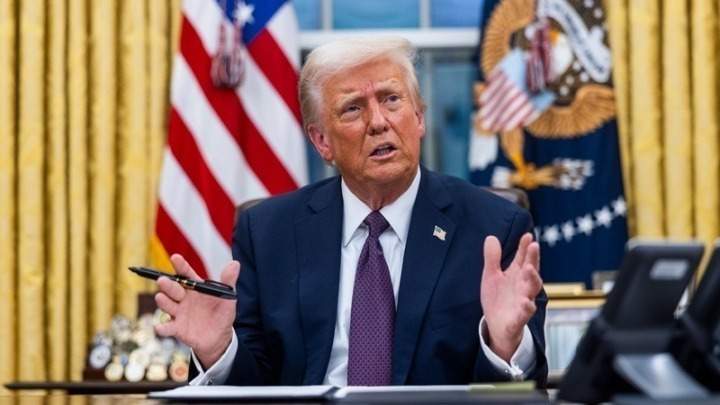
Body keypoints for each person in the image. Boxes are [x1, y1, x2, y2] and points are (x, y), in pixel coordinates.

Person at [154, 37, 547, 386]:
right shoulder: (268, 233)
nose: (378, 122)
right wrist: (217, 351)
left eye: (391, 99)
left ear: (419, 118)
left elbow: (514, 391)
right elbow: (256, 388)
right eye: (353, 109)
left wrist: (503, 344)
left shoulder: (494, 228)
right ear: (322, 141)